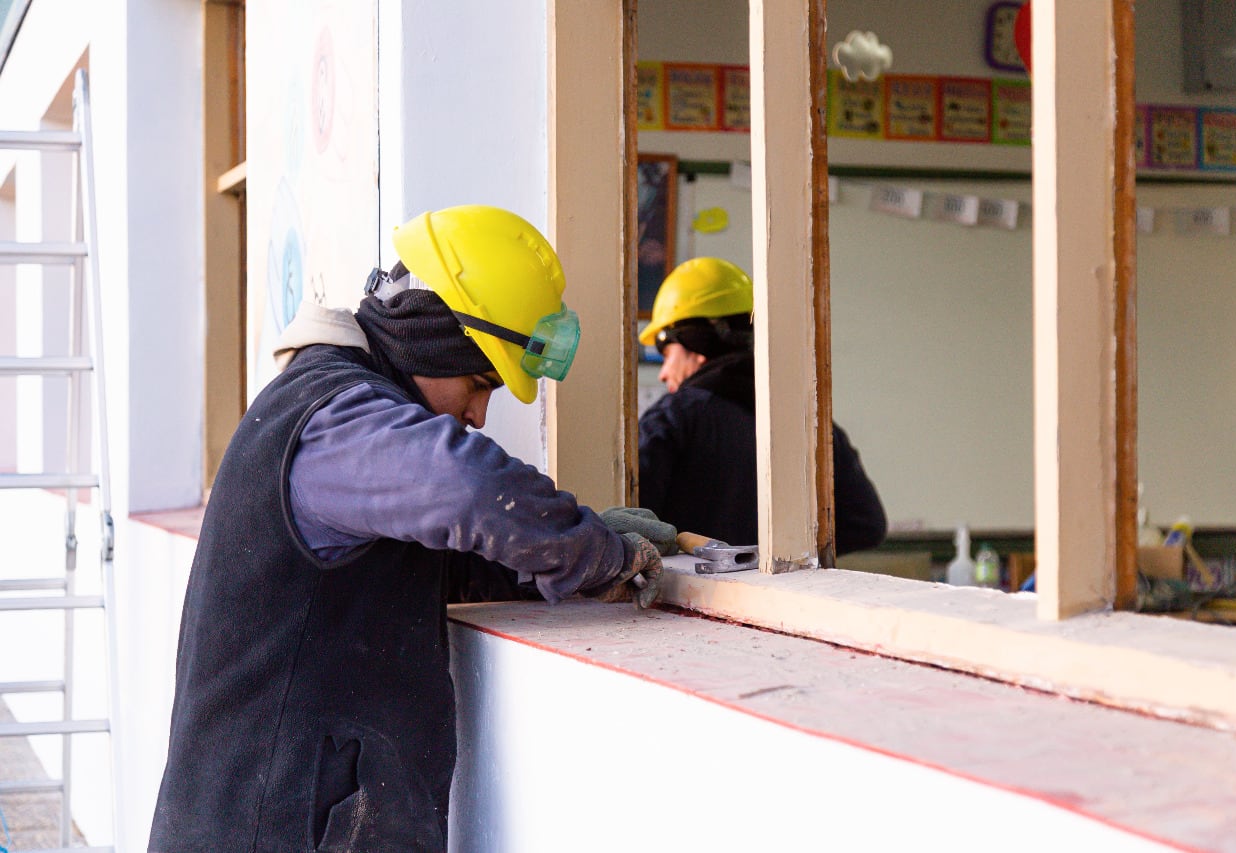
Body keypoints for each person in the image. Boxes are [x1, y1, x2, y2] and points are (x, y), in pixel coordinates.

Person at [149, 205, 673, 852]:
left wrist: (578, 560)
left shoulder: (339, 409)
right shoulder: (334, 418)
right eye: (480, 383)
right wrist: (594, 552)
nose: (479, 414)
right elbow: (470, 487)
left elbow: (422, 563)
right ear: (437, 339)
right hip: (273, 827)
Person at [637, 257, 888, 555]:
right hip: (786, 598)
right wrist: (780, 557)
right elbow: (866, 524)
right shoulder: (808, 422)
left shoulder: (674, 417)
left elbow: (630, 523)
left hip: (685, 596)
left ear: (697, 342)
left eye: (667, 354)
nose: (664, 372)